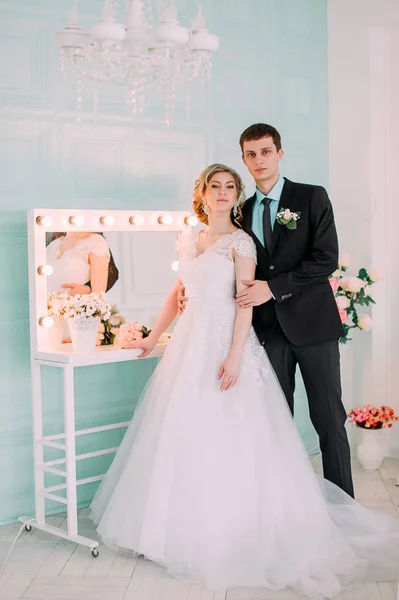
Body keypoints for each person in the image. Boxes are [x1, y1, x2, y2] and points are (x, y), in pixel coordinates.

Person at [90, 164, 399, 598]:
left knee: (250, 430)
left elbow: (244, 303)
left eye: (229, 186)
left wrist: (235, 355)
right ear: (201, 192)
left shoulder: (241, 241)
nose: (222, 192)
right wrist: (152, 338)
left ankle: (258, 523)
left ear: (237, 195)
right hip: (189, 346)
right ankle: (174, 527)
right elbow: (175, 293)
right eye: (214, 186)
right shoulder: (189, 236)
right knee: (181, 432)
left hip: (227, 343)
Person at [179, 123, 353, 498]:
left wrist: (273, 288)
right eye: (251, 154)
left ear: (279, 153)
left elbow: (326, 260)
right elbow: (229, 267)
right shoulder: (239, 211)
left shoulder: (310, 197)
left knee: (328, 420)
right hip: (267, 332)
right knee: (273, 421)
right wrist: (192, 294)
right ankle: (283, 504)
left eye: (266, 151)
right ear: (244, 159)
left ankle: (344, 506)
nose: (259, 160)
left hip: (313, 327)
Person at [46, 232, 118, 294]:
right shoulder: (52, 244)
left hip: (76, 305)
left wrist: (88, 289)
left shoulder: (95, 242)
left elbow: (111, 274)